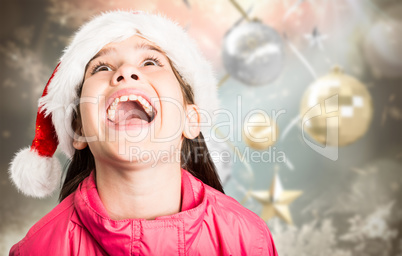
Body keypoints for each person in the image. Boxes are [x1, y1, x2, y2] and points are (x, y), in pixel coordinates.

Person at [9, 10, 278, 255]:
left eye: (150, 62)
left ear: (191, 118)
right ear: (77, 130)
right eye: (101, 68)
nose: (126, 71)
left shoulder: (249, 240)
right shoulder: (37, 250)